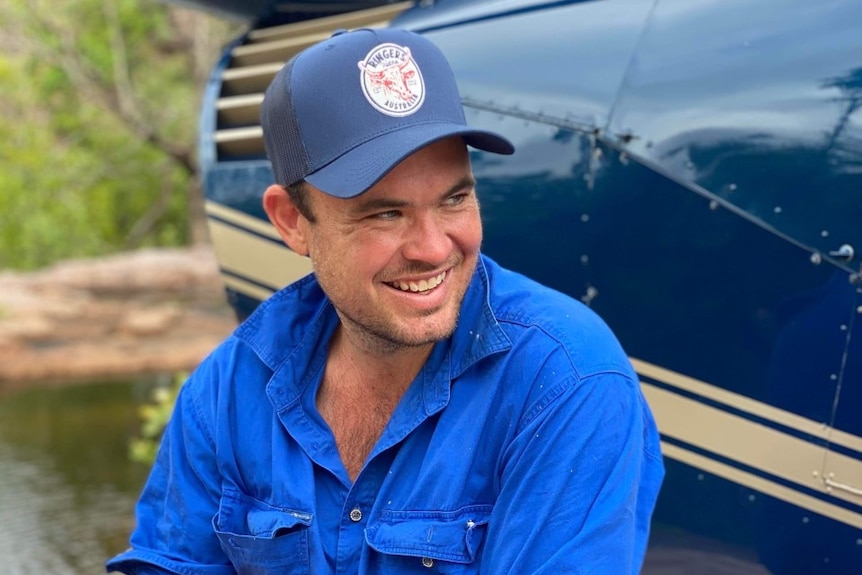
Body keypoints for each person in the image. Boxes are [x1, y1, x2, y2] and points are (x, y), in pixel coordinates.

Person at [107, 27, 664, 575]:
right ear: (292, 222)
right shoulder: (230, 387)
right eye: (385, 213)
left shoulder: (566, 379)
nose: (432, 248)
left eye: (455, 199)